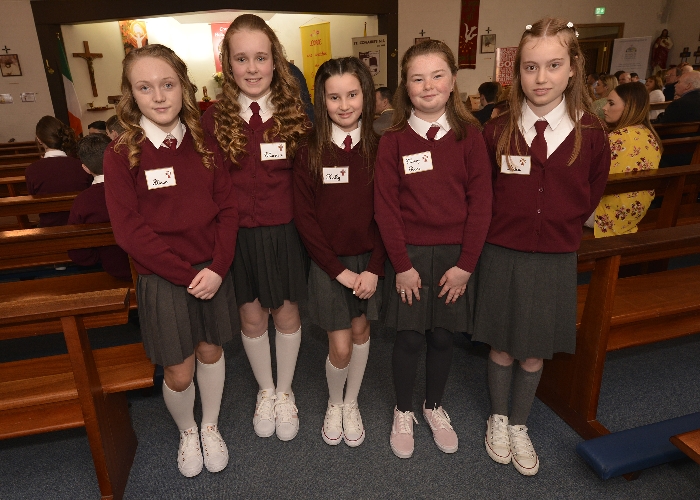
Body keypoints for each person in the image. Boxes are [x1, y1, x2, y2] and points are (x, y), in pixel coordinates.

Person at [472, 18, 610, 476]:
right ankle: (497, 417)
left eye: (553, 65)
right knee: (502, 344)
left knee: (533, 351)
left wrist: (554, 223)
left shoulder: (592, 133)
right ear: (518, 72)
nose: (541, 78)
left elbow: (590, 193)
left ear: (573, 68)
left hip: (555, 255)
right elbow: (484, 193)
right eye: (531, 67)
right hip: (502, 252)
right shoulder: (497, 130)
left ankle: (519, 422)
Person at [104, 44, 239, 478]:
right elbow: (129, 232)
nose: (159, 96)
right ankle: (187, 431)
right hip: (165, 279)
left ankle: (210, 425)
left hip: (212, 271)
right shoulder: (122, 152)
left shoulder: (205, 143)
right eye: (145, 88)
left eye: (168, 84)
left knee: (211, 351)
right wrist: (189, 275)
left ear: (184, 86)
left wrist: (217, 267)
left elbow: (228, 209)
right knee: (179, 370)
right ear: (131, 94)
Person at [374, 40, 492, 459]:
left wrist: (466, 265)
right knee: (408, 339)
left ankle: (434, 405)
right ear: (405, 87)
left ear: (453, 81)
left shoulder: (470, 136)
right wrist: (401, 265)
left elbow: (482, 204)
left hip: (455, 259)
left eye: (437, 76)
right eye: (417, 78)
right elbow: (385, 208)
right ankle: (403, 410)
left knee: (443, 337)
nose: (428, 86)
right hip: (408, 257)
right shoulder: (392, 140)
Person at [201, 14, 309, 442]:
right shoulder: (213, 120)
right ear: (228, 64)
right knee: (250, 316)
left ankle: (285, 391)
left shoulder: (296, 114)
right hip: (237, 234)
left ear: (275, 60)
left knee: (286, 313)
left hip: (285, 232)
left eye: (260, 57)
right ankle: (266, 390)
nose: (251, 68)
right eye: (241, 58)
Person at [293, 57, 386, 447]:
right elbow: (305, 220)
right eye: (334, 97)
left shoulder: (381, 148)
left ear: (366, 95)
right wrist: (338, 271)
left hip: (369, 263)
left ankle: (352, 402)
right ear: (322, 100)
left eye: (352, 94)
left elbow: (389, 215)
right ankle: (336, 401)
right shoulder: (309, 151)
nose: (344, 105)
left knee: (362, 331)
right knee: (341, 345)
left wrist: (375, 268)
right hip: (328, 265)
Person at [590, 82, 661, 236]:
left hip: (606, 215)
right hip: (634, 213)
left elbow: (590, 179)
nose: (604, 108)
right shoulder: (649, 134)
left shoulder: (617, 138)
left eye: (611, 103)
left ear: (629, 107)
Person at [67, 133, 131, 281]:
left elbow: (77, 251)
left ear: (85, 168)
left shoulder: (83, 201)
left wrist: (98, 257)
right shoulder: (136, 186)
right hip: (152, 266)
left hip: (113, 269)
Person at [26, 115, 93, 227]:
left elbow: (33, 201)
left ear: (39, 139)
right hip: (80, 225)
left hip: (49, 228)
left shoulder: (32, 170)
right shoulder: (81, 165)